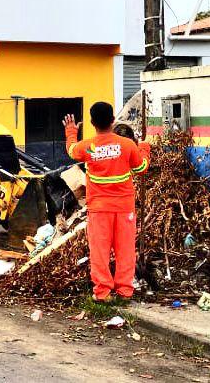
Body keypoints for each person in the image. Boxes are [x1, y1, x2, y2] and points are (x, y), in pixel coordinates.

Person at [63, 102, 151, 302]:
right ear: (113, 120)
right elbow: (141, 168)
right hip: (124, 209)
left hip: (99, 209)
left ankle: (102, 293)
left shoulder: (87, 147)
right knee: (126, 251)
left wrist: (70, 131)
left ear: (93, 123)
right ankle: (125, 292)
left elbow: (71, 150)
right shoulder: (127, 145)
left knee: (100, 252)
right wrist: (144, 148)